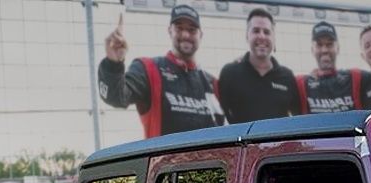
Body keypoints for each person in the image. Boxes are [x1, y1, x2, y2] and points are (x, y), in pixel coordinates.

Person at [98, 4, 221, 137]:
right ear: (170, 31)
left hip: (212, 158)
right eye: (179, 28)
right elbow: (117, 97)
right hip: (163, 158)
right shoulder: (148, 68)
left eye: (192, 30)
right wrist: (113, 63)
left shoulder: (212, 83)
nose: (185, 35)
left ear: (200, 35)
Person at [216, 7, 300, 123]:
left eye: (266, 32)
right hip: (241, 141)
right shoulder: (230, 73)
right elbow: (221, 116)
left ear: (274, 38)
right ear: (247, 35)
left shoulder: (287, 76)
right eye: (256, 31)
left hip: (276, 141)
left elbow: (298, 118)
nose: (261, 36)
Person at [296, 21, 365, 113]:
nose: (324, 50)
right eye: (319, 45)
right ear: (312, 50)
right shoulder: (301, 84)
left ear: (338, 48)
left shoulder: (355, 78)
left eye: (329, 44)